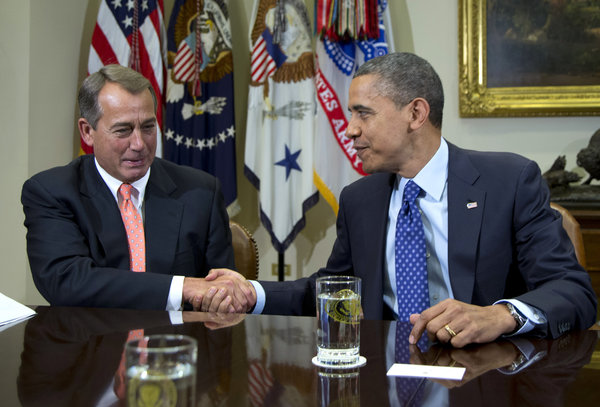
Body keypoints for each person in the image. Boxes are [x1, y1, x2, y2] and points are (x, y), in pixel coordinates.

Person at [208, 52, 597, 347]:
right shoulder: (360, 199)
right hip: (383, 374)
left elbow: (573, 291)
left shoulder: (509, 182)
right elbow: (333, 288)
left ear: (415, 114)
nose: (350, 130)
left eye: (363, 114)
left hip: (487, 376)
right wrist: (250, 291)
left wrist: (501, 315)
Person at [21, 65, 254, 312]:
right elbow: (67, 283)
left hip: (177, 345)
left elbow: (223, 291)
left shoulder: (201, 192)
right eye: (123, 130)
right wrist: (182, 287)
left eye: (148, 127)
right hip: (91, 345)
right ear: (87, 131)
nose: (139, 144)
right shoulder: (52, 192)